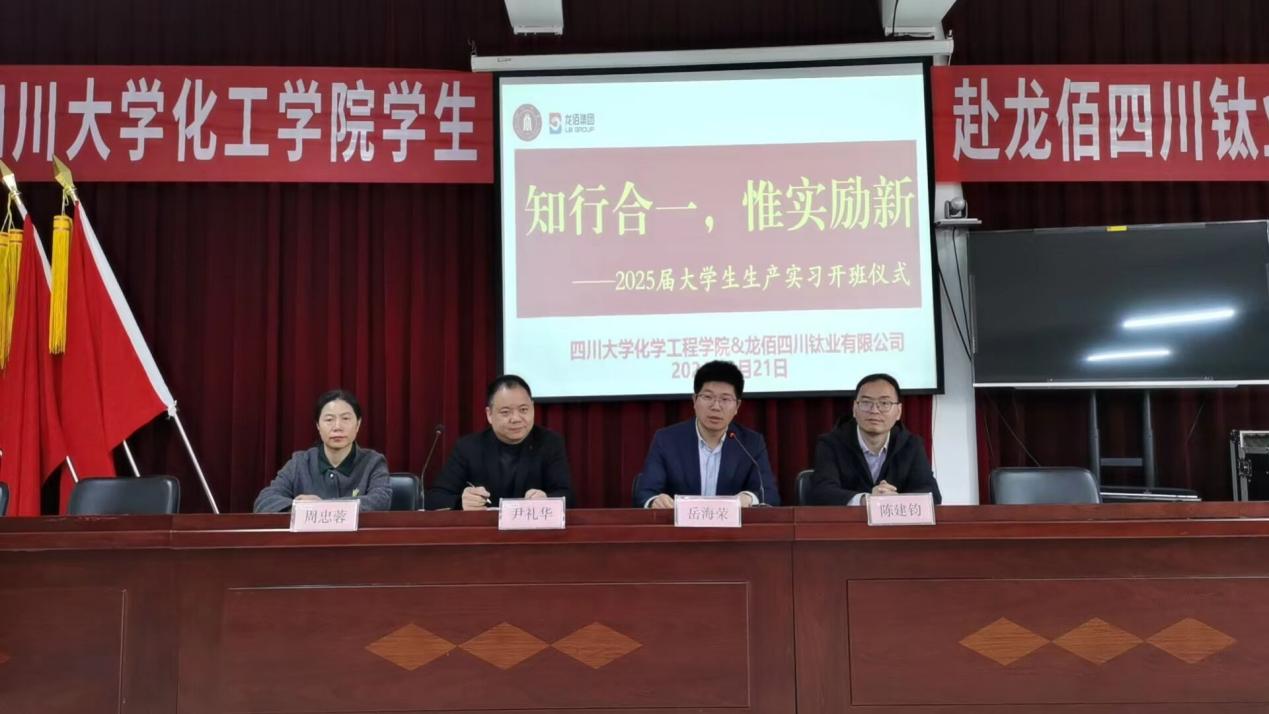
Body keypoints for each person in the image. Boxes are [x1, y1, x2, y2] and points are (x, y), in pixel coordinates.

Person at [634, 360, 780, 508]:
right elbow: (645, 492)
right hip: (679, 523)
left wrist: (749, 498)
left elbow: (769, 494)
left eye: (725, 399)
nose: (716, 407)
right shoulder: (666, 440)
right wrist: (655, 501)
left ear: (737, 406)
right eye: (708, 397)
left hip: (732, 523)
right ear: (694, 400)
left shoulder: (751, 443)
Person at [426, 375, 574, 510]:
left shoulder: (549, 443)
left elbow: (568, 496)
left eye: (523, 410)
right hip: (483, 529)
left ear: (533, 409)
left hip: (533, 529)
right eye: (505, 412)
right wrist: (461, 502)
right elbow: (434, 498)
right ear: (489, 414)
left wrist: (547, 500)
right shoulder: (468, 448)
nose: (516, 418)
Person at [807, 373, 942, 505]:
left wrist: (896, 500)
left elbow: (932, 495)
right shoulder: (831, 444)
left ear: (898, 411)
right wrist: (866, 500)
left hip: (894, 520)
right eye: (866, 402)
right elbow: (821, 492)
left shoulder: (911, 445)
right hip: (849, 520)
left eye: (884, 403)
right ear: (854, 408)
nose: (874, 410)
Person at [254, 389, 392, 512]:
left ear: (358, 424)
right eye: (329, 419)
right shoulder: (300, 463)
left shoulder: (373, 462)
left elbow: (380, 501)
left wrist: (321, 507)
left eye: (345, 418)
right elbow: (264, 501)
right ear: (318, 426)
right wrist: (298, 507)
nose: (337, 427)